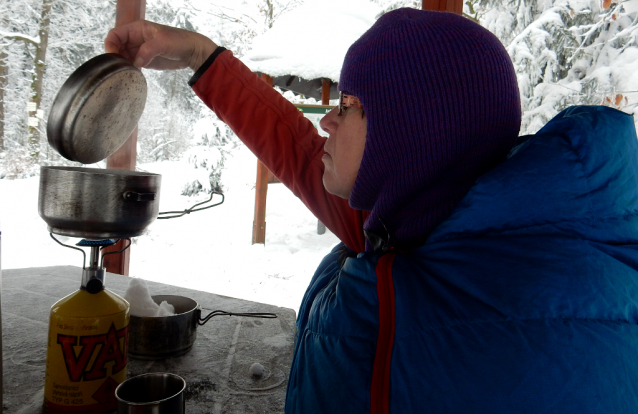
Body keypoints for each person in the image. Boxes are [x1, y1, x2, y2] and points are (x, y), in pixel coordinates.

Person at [106, 8, 638, 413]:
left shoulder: (529, 325)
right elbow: (299, 152)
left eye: (347, 105)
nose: (325, 123)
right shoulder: (412, 223)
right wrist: (202, 56)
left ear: (409, 130)